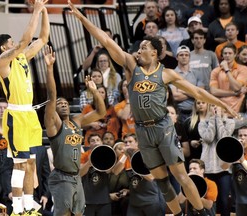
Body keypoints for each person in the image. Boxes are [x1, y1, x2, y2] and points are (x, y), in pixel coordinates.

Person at [68, 1, 238, 215]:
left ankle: (200, 212)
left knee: (181, 176)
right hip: (142, 130)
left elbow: (198, 93)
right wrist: (82, 18)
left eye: (144, 48)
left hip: (163, 128)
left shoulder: (166, 73)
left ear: (155, 54)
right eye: (139, 48)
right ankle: (178, 214)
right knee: (162, 183)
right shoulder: (131, 65)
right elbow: (106, 40)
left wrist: (222, 104)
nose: (139, 50)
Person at [0, 0, 50, 214]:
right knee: (20, 164)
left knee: (32, 164)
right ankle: (17, 209)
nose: (16, 43)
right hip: (15, 115)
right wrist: (35, 10)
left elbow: (43, 37)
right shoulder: (2, 62)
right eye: (12, 42)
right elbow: (26, 40)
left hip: (30, 114)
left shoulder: (23, 57)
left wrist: (43, 11)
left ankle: (28, 206)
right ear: (4, 48)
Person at [43, 45, 106, 216]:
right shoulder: (54, 123)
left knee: (78, 214)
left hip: (76, 176)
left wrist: (94, 91)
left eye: (65, 103)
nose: (63, 104)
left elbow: (101, 112)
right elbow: (51, 95)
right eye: (59, 104)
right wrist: (49, 68)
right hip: (62, 176)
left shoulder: (77, 121)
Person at [198, 105, 235, 216]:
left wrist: (218, 118)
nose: (215, 109)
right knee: (209, 201)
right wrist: (213, 119)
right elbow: (209, 137)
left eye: (217, 107)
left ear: (223, 108)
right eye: (213, 107)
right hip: (207, 167)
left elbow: (223, 138)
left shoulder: (230, 122)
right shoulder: (202, 124)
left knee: (224, 201)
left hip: (223, 167)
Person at [170, 45, 204, 123]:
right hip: (179, 112)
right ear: (177, 57)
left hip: (195, 112)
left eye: (186, 55)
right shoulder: (172, 74)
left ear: (189, 57)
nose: (184, 57)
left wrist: (183, 90)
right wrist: (193, 92)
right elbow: (175, 96)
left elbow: (201, 95)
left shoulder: (197, 73)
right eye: (181, 55)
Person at [210, 43, 247, 113]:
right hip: (221, 110)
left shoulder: (243, 69)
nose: (227, 55)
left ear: (235, 54)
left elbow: (236, 88)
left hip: (238, 110)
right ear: (222, 55)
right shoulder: (215, 71)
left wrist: (227, 70)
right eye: (225, 53)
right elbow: (213, 91)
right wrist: (233, 93)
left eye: (230, 53)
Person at [221, 126, 247, 216]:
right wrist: (231, 154)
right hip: (240, 198)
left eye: (245, 135)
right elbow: (223, 167)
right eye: (240, 135)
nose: (242, 138)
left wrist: (242, 160)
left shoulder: (242, 157)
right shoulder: (236, 152)